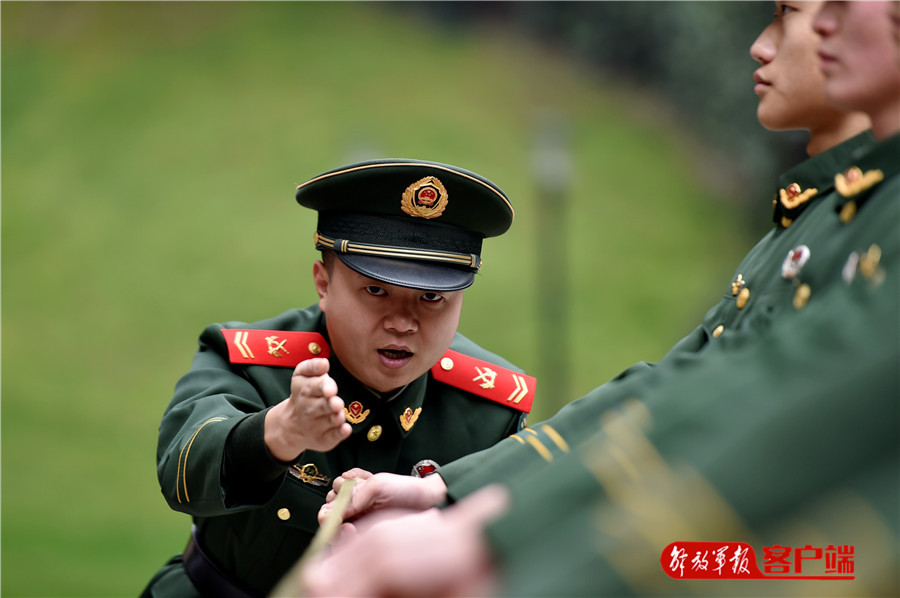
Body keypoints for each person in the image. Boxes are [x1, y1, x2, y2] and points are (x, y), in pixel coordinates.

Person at [300, 2, 899, 596]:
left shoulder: (860, 218)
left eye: (795, 11)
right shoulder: (824, 215)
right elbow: (681, 394)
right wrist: (463, 501)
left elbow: (808, 539)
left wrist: (510, 554)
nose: (808, 30)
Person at [140, 159, 536, 598]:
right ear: (323, 284)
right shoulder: (251, 361)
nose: (403, 322)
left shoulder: (491, 404)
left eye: (431, 297)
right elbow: (182, 471)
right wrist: (280, 431)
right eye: (375, 290)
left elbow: (522, 543)